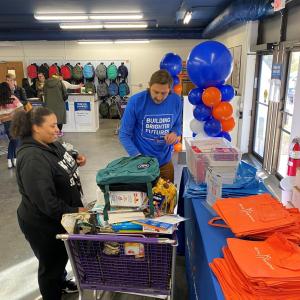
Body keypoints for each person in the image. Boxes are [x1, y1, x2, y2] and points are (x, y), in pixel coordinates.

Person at [10, 106, 88, 300]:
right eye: (52, 125)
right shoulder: (32, 159)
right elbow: (47, 204)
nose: (57, 129)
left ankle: (61, 281)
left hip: (60, 220)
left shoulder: (49, 143)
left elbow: (62, 156)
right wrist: (76, 210)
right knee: (50, 266)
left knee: (60, 258)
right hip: (42, 224)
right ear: (36, 127)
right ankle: (51, 293)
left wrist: (75, 158)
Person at [119, 69, 182, 182]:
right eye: (155, 92)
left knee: (167, 197)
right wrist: (138, 158)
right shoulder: (136, 101)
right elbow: (124, 135)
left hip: (165, 162)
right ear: (149, 86)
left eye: (164, 93)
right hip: (141, 163)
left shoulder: (176, 101)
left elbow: (177, 125)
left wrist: (175, 133)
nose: (159, 97)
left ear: (170, 90)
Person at [0, 82, 22, 168]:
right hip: (15, 123)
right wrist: (12, 114)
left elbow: (1, 116)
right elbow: (21, 109)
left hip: (5, 124)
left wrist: (6, 116)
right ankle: (16, 160)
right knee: (16, 142)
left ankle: (10, 160)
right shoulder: (13, 98)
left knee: (13, 141)